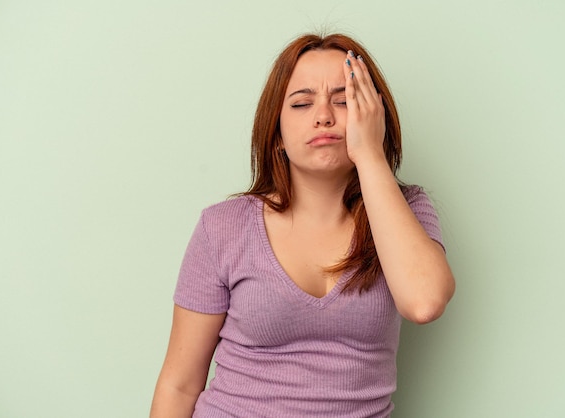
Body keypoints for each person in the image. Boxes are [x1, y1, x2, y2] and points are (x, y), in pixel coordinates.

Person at [150, 33, 455, 417]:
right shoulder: (222, 227)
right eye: (302, 102)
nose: (323, 115)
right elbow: (179, 385)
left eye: (344, 101)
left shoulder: (408, 209)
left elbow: (424, 302)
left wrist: (369, 155)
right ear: (277, 133)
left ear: (374, 115)